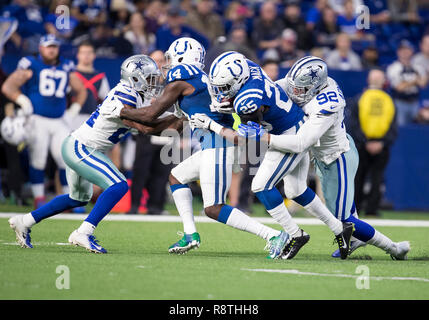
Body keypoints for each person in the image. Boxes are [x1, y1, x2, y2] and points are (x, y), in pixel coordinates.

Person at [105, 38, 295, 259]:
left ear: (184, 57)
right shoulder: (194, 86)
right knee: (176, 177)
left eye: (171, 57)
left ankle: (273, 235)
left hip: (218, 144)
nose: (167, 64)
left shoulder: (183, 75)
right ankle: (190, 234)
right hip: (212, 145)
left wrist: (121, 111)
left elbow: (151, 113)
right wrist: (136, 126)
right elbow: (171, 126)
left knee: (213, 208)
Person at [7, 54, 180, 253]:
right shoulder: (125, 93)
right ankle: (84, 232)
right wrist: (178, 118)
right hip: (81, 148)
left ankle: (24, 221)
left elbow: (153, 125)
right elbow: (147, 127)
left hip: (80, 146)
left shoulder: (137, 96)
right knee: (118, 185)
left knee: (78, 198)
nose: (154, 82)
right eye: (149, 78)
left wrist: (181, 120)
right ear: (135, 78)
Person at [191, 51, 354, 260]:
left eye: (223, 88)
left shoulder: (247, 101)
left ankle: (296, 234)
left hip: (288, 135)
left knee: (260, 185)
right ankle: (340, 228)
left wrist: (211, 124)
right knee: (295, 190)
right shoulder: (248, 67)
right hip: (293, 122)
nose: (218, 92)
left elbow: (245, 137)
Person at [251, 57, 409, 260]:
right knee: (336, 212)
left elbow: (301, 143)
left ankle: (395, 248)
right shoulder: (303, 85)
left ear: (315, 86)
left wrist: (265, 137)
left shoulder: (328, 102)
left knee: (344, 219)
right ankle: (355, 240)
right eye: (294, 86)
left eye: (300, 89)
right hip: (322, 157)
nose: (294, 92)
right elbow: (276, 89)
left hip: (337, 157)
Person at [1, 34, 87, 209]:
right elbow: (8, 86)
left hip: (59, 120)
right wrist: (23, 101)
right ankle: (39, 198)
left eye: (55, 46)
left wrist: (74, 110)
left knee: (66, 159)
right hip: (37, 119)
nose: (52, 49)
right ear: (40, 48)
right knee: (38, 160)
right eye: (48, 46)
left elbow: (82, 90)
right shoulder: (30, 64)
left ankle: (69, 199)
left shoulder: (66, 65)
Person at [128, 50, 173, 215]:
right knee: (141, 171)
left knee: (161, 172)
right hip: (146, 131)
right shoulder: (142, 82)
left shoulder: (172, 83)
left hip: (166, 131)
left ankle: (156, 206)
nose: (159, 64)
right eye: (155, 61)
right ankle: (134, 206)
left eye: (161, 61)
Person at [350, 69, 398, 218]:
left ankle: (356, 208)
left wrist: (365, 141)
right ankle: (372, 209)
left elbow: (353, 124)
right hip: (380, 146)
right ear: (383, 81)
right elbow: (393, 126)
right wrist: (382, 142)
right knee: (377, 178)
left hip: (362, 145)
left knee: (359, 177)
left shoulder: (361, 98)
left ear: (369, 80)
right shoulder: (389, 100)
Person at [70, 41, 110, 130]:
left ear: (94, 55)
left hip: (91, 118)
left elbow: (107, 100)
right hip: (71, 117)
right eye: (83, 53)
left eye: (89, 53)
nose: (86, 55)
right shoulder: (71, 74)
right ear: (78, 55)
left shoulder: (100, 77)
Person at [386, 39, 427, 126]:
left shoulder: (418, 67)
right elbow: (399, 87)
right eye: (402, 50)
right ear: (398, 52)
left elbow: (423, 84)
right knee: (400, 128)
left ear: (411, 51)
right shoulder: (393, 68)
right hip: (400, 102)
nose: (405, 52)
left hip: (415, 102)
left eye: (407, 49)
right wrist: (415, 81)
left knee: (418, 128)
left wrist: (406, 83)